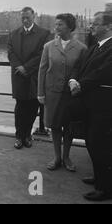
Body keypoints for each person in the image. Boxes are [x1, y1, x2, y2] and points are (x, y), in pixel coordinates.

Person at [69, 11, 112, 202]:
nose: (91, 27)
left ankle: (105, 188)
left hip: (104, 106)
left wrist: (81, 85)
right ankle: (99, 177)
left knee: (100, 144)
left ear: (108, 26)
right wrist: (73, 79)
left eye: (95, 24)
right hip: (90, 104)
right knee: (92, 142)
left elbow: (103, 73)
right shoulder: (96, 47)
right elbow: (82, 67)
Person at [37, 14, 87, 172]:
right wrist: (40, 93)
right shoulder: (49, 46)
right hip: (52, 93)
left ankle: (66, 157)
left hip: (70, 95)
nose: (56, 27)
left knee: (69, 126)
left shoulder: (81, 48)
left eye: (60, 25)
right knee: (55, 126)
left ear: (69, 27)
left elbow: (82, 72)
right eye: (56, 24)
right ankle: (57, 157)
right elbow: (42, 70)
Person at [8, 7, 51, 149]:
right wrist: (19, 67)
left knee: (33, 107)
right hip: (18, 76)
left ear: (34, 17)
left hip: (34, 76)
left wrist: (26, 67)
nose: (25, 20)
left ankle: (27, 135)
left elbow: (42, 54)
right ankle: (19, 136)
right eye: (23, 18)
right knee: (20, 107)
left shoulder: (44, 34)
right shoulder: (13, 34)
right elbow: (10, 53)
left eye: (28, 17)